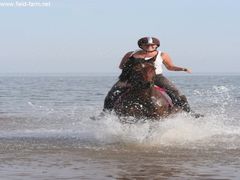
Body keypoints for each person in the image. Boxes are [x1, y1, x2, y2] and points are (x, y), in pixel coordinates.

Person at [118, 37, 199, 116]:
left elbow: (170, 67)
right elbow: (121, 66)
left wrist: (183, 69)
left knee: (175, 91)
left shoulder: (162, 55)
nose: (150, 47)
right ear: (141, 45)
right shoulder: (131, 54)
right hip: (135, 77)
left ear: (157, 46)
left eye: (152, 45)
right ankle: (109, 110)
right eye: (147, 45)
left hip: (157, 77)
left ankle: (188, 112)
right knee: (116, 91)